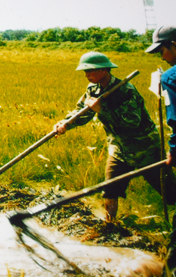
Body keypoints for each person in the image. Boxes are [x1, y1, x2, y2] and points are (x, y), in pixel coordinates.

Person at [53, 51, 176, 222]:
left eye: (90, 71)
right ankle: (110, 225)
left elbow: (131, 124)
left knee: (170, 192)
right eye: (85, 72)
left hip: (145, 148)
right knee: (110, 189)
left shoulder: (126, 90)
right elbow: (82, 112)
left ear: (104, 70)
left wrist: (102, 110)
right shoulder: (93, 89)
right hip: (118, 148)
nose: (87, 75)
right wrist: (65, 124)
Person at [145, 26, 176, 275]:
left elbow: (175, 121)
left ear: (173, 44)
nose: (161, 57)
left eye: (162, 50)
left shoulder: (171, 77)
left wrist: (174, 151)